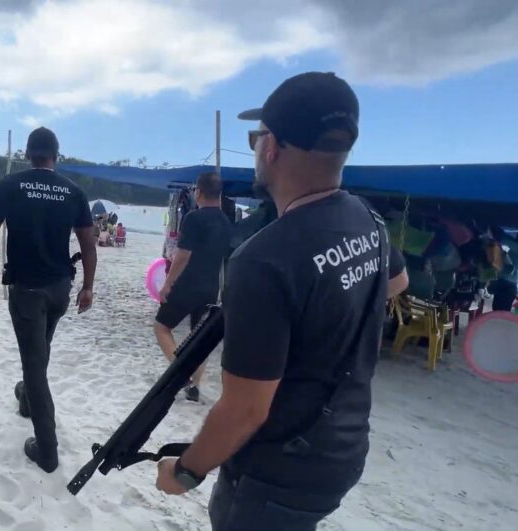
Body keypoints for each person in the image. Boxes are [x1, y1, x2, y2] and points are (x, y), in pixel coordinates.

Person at [155, 72, 409, 531]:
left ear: (270, 147)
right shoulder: (367, 219)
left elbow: (244, 410)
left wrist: (186, 471)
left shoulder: (265, 259)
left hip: (278, 473)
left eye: (255, 138)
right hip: (343, 451)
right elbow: (397, 281)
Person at [0, 127, 97, 474]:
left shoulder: (10, 186)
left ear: (27, 154)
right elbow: (89, 245)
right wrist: (88, 286)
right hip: (60, 287)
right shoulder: (73, 191)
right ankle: (27, 402)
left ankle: (47, 450)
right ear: (56, 155)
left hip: (27, 289)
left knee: (34, 365)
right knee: (40, 350)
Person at [154, 172, 231, 402]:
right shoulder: (226, 222)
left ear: (198, 191)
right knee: (199, 339)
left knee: (161, 327)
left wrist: (168, 284)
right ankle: (194, 386)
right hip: (210, 288)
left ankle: (182, 375)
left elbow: (183, 256)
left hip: (187, 285)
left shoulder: (193, 218)